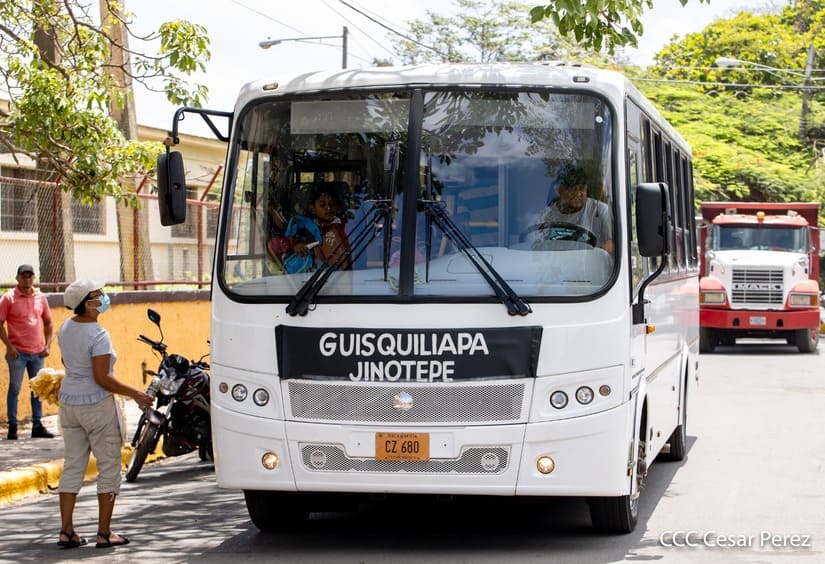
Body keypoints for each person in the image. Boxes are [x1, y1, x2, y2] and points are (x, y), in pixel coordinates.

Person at [55, 280, 153, 550]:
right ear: (88, 304)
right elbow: (102, 378)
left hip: (69, 404)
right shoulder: (99, 335)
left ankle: (66, 531)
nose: (104, 298)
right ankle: (104, 533)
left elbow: (68, 364)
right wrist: (136, 393)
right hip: (96, 406)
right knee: (109, 467)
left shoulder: (65, 328)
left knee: (73, 466)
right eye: (98, 295)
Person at [0, 264, 54, 440]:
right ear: (17, 278)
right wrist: (9, 346)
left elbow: (48, 322)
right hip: (17, 353)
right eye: (24, 276)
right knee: (15, 389)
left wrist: (48, 346)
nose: (27, 279)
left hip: (37, 353)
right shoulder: (8, 298)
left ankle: (37, 425)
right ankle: (13, 426)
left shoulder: (41, 298)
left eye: (30, 276)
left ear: (34, 278)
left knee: (37, 389)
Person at [270, 183, 352, 272]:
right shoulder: (304, 228)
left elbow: (346, 265)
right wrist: (296, 245)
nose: (328, 208)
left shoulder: (343, 229)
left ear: (338, 207)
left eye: (332, 204)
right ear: (312, 208)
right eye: (322, 205)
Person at [538, 164, 614, 253]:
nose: (578, 194)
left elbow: (611, 244)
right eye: (572, 189)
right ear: (560, 190)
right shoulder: (547, 216)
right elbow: (539, 245)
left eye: (581, 189)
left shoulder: (600, 210)